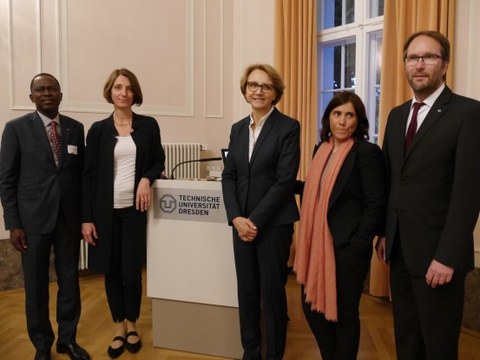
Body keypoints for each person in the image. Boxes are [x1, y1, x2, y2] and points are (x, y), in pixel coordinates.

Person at [375, 31, 480, 360]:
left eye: (429, 57)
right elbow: (391, 180)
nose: (419, 65)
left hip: (439, 257)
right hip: (400, 250)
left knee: (438, 346)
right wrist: (383, 232)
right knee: (407, 340)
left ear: (445, 64)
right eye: (412, 58)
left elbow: (468, 192)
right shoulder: (395, 116)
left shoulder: (468, 114)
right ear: (404, 65)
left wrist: (447, 256)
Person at [0, 73, 89, 360]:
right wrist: (13, 224)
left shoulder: (76, 129)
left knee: (69, 282)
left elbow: (82, 178)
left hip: (68, 220)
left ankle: (68, 340)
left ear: (61, 95)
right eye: (40, 89)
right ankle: (42, 344)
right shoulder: (15, 129)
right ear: (32, 97)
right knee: (36, 287)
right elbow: (6, 180)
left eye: (52, 89)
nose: (47, 93)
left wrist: (85, 217)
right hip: (32, 222)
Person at [294, 92, 386, 360]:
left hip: (347, 249)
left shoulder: (366, 153)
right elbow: (316, 190)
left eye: (350, 115)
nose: (343, 121)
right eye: (337, 114)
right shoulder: (320, 150)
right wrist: (282, 183)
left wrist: (359, 244)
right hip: (315, 245)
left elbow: (375, 202)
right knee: (311, 307)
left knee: (345, 314)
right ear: (328, 118)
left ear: (359, 121)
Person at [81, 68, 165, 359]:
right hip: (104, 212)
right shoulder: (97, 130)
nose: (124, 92)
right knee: (112, 272)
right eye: (118, 87)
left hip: (134, 211)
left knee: (132, 272)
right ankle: (119, 325)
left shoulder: (149, 126)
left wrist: (145, 179)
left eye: (128, 88)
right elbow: (87, 177)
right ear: (110, 92)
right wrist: (86, 218)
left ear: (134, 93)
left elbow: (158, 161)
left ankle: (133, 324)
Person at [221, 64, 300, 360]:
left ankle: (273, 355)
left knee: (273, 295)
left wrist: (253, 221)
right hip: (241, 223)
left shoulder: (289, 127)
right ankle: (251, 352)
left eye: (265, 86)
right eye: (253, 85)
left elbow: (284, 181)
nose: (258, 91)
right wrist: (235, 217)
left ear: (275, 92)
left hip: (274, 225)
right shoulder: (237, 129)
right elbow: (229, 176)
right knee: (248, 293)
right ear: (245, 90)